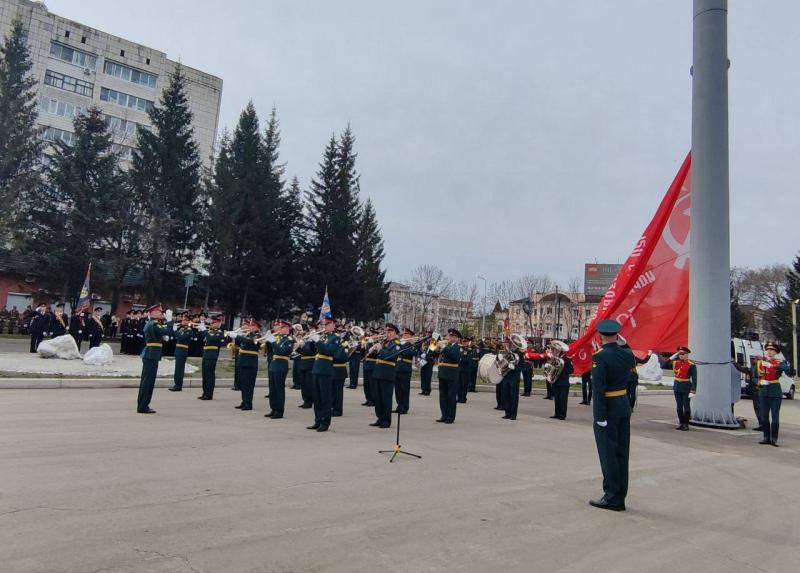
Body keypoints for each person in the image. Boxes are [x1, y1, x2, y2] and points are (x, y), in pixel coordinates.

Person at [589, 319, 636, 511]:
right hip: (623, 406)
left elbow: (598, 390)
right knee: (621, 454)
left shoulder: (600, 357)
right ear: (617, 335)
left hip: (608, 410)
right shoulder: (627, 354)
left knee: (608, 455)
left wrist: (599, 417)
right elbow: (631, 376)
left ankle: (612, 497)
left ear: (600, 336)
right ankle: (620, 495)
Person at [136, 304, 174, 414]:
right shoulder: (154, 323)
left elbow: (160, 334)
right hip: (151, 354)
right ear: (152, 313)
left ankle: (142, 405)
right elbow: (167, 331)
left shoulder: (153, 323)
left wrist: (161, 336)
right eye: (159, 311)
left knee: (147, 381)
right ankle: (143, 406)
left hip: (151, 354)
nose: (161, 313)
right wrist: (170, 320)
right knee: (148, 382)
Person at [753, 342, 791, 446]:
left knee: (775, 416)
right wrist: (760, 382)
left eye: (772, 350)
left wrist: (775, 365)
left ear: (776, 352)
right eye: (768, 350)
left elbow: (787, 370)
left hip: (775, 392)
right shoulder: (760, 363)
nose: (769, 352)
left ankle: (774, 438)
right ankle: (766, 437)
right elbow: (755, 376)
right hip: (763, 392)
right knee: (764, 416)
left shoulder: (779, 362)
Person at [309, 316, 340, 432]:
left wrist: (318, 341)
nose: (324, 327)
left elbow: (329, 351)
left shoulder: (335, 338)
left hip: (326, 369)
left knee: (325, 397)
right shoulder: (323, 336)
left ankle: (325, 422)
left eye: (326, 325)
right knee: (316, 397)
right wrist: (312, 341)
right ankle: (317, 420)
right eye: (323, 325)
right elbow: (312, 351)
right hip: (316, 368)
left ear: (333, 325)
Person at [369, 324, 400, 428]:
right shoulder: (384, 342)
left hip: (387, 373)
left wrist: (380, 349)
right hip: (378, 372)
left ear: (395, 332)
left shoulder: (397, 343)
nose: (387, 333)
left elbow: (390, 356)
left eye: (390, 331)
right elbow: (378, 356)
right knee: (377, 398)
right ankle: (380, 418)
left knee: (385, 398)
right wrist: (372, 350)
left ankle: (386, 420)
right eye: (387, 331)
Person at [228, 319, 261, 411]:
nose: (249, 327)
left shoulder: (257, 336)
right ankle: (244, 401)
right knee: (243, 383)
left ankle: (248, 403)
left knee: (248, 384)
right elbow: (240, 343)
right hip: (243, 361)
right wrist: (234, 335)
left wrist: (237, 336)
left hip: (250, 363)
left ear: (256, 327)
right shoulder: (248, 335)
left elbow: (249, 342)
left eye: (251, 326)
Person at [264, 319, 293, 418]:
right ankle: (273, 408)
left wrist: (273, 341)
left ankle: (279, 411)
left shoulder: (289, 339)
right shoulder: (278, 337)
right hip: (274, 364)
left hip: (281, 365)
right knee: (272, 389)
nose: (279, 329)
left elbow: (282, 351)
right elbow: (271, 350)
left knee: (278, 389)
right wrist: (268, 340)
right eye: (279, 327)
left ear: (287, 328)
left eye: (281, 327)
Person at [436, 329, 462, 424]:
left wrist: (444, 347)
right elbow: (434, 353)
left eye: (452, 336)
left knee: (451, 396)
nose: (449, 338)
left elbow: (454, 356)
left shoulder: (458, 347)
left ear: (456, 338)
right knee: (442, 396)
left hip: (451, 375)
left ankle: (450, 416)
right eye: (449, 336)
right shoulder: (446, 346)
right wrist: (435, 346)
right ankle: (444, 415)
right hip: (442, 373)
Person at [668, 346, 697, 431]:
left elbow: (695, 379)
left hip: (686, 387)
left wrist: (693, 390)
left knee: (686, 406)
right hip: (677, 387)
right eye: (679, 354)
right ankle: (681, 423)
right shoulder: (675, 362)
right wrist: (673, 356)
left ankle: (686, 424)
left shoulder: (691, 365)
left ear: (687, 355)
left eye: (682, 354)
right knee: (679, 407)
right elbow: (664, 364)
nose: (680, 356)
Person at [198, 316, 224, 400]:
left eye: (213, 323)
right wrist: (201, 328)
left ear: (218, 324)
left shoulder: (219, 332)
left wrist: (204, 330)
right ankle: (205, 392)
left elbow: (211, 338)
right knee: (205, 375)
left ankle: (209, 394)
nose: (211, 324)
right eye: (211, 323)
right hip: (206, 355)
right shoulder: (210, 331)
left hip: (212, 355)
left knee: (209, 375)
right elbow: (203, 337)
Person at [393, 327, 418, 414]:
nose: (404, 335)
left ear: (410, 336)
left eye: (406, 334)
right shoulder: (400, 344)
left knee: (404, 389)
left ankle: (405, 407)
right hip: (398, 367)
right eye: (403, 334)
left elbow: (408, 353)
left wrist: (401, 345)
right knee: (397, 389)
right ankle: (399, 405)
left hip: (406, 369)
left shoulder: (412, 345)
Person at [734, 359, 761, 431]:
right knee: (761, 408)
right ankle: (763, 425)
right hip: (761, 391)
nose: (752, 361)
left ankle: (762, 425)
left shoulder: (756, 367)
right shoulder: (763, 367)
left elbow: (745, 370)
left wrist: (735, 364)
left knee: (758, 408)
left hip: (756, 390)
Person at [549, 340, 573, 420]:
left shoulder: (567, 359)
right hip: (556, 381)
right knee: (557, 399)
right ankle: (557, 414)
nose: (555, 351)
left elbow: (571, 370)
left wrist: (561, 370)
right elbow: (551, 368)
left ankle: (562, 415)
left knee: (563, 399)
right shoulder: (554, 359)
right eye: (555, 349)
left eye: (556, 350)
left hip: (563, 382)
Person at [169, 315, 194, 392]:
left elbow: (180, 337)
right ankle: (177, 384)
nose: (182, 321)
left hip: (183, 350)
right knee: (177, 369)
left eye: (185, 320)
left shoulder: (189, 330)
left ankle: (178, 385)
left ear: (188, 321)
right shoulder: (182, 329)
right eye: (182, 320)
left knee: (179, 369)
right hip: (178, 350)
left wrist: (175, 331)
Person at [500, 339, 522, 420]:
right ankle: (507, 413)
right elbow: (503, 362)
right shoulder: (507, 353)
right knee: (506, 395)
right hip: (506, 376)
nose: (511, 345)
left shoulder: (519, 354)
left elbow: (521, 366)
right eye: (510, 344)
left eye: (512, 344)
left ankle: (513, 414)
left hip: (514, 377)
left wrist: (514, 367)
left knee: (513, 396)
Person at [331, 324, 349, 417]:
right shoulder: (333, 343)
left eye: (339, 333)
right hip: (331, 369)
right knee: (331, 391)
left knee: (338, 392)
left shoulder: (344, 344)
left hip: (339, 370)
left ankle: (338, 410)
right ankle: (332, 407)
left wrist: (333, 353)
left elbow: (343, 357)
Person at [297, 324, 316, 409]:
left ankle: (309, 401)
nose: (310, 330)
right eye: (310, 329)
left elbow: (311, 351)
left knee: (309, 384)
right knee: (303, 383)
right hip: (303, 362)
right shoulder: (306, 338)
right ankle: (305, 400)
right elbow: (300, 351)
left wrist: (308, 342)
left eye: (312, 329)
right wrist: (300, 345)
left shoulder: (313, 340)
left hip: (310, 363)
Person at [361, 330, 378, 406]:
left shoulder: (378, 344)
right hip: (366, 364)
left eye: (374, 334)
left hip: (373, 365)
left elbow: (374, 354)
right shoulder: (368, 343)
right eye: (371, 334)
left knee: (372, 384)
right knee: (366, 384)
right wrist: (362, 347)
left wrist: (372, 346)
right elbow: (363, 355)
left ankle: (373, 400)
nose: (372, 335)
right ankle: (368, 399)